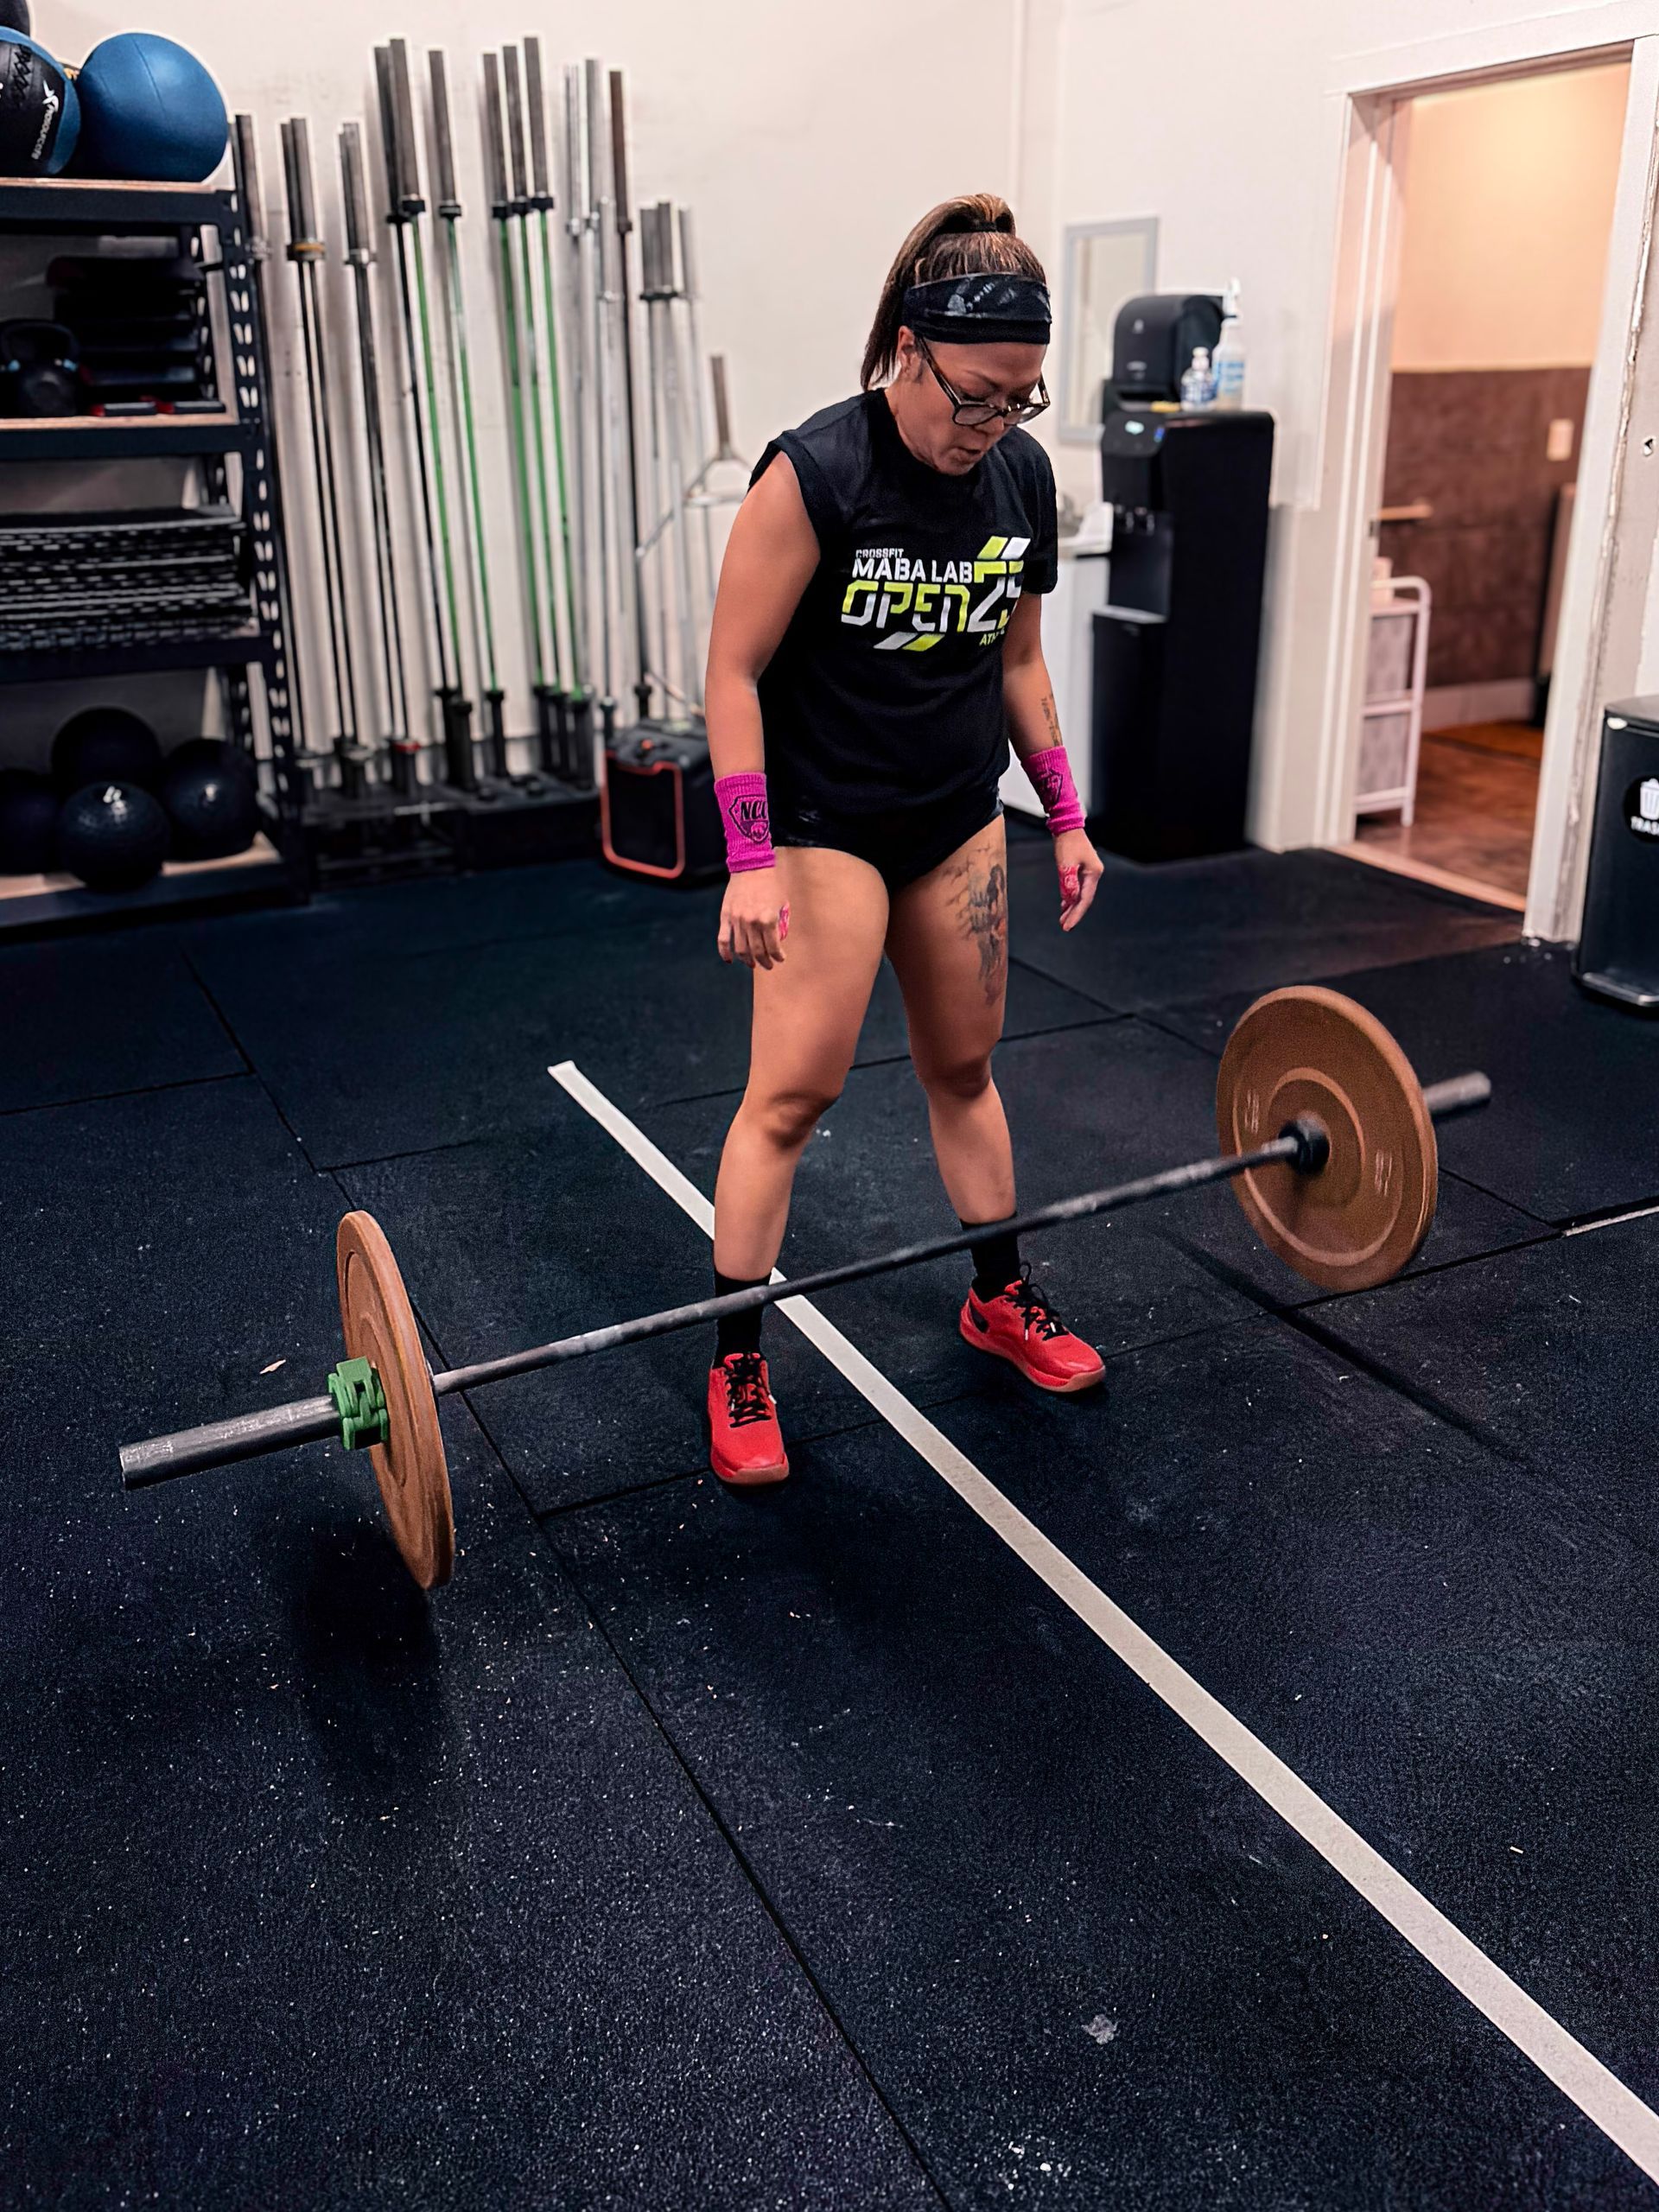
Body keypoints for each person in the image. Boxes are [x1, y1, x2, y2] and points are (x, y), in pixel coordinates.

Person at [702, 192, 1106, 1486]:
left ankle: (998, 1295)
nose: (989, 425)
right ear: (905, 348)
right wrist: (751, 856)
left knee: (966, 1067)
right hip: (825, 825)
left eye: (1019, 401)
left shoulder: (1018, 478)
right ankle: (738, 1356)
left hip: (954, 820)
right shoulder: (813, 473)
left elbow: (1021, 660)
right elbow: (731, 672)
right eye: (974, 395)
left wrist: (1065, 807)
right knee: (796, 1093)